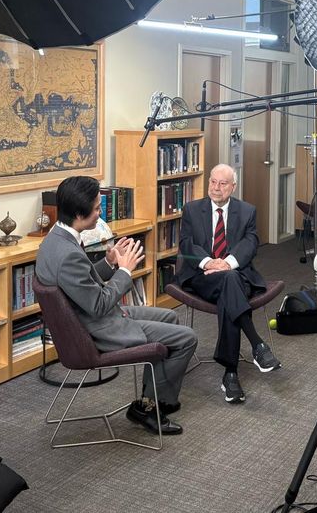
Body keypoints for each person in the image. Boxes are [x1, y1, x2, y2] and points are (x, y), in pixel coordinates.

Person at [35, 176, 197, 435]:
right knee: (187, 338)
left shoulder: (56, 239)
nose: (100, 214)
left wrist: (109, 263)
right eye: (97, 209)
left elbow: (82, 285)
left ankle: (153, 397)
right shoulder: (67, 255)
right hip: (98, 330)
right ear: (79, 213)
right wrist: (124, 271)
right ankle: (149, 408)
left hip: (94, 319)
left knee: (170, 318)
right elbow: (98, 305)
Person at [178, 163, 280, 404]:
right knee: (230, 287)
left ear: (233, 187)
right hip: (203, 277)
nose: (216, 188)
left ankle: (231, 372)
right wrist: (207, 262)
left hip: (235, 275)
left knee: (230, 284)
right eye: (213, 182)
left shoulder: (247, 211)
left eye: (223, 184)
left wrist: (228, 263)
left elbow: (251, 242)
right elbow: (186, 244)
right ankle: (256, 345)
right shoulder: (192, 210)